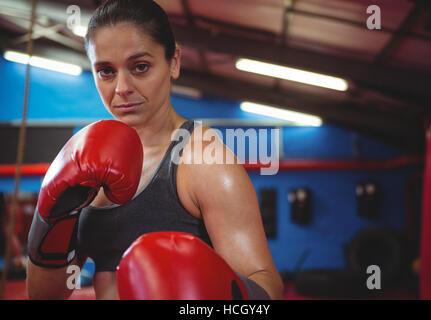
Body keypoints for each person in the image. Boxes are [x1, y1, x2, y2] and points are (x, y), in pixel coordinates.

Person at [26, 0, 283, 300]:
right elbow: (48, 295)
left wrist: (205, 297)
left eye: (140, 66)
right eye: (106, 71)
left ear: (173, 62)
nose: (122, 87)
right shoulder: (88, 160)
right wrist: (52, 219)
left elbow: (267, 289)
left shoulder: (203, 159)